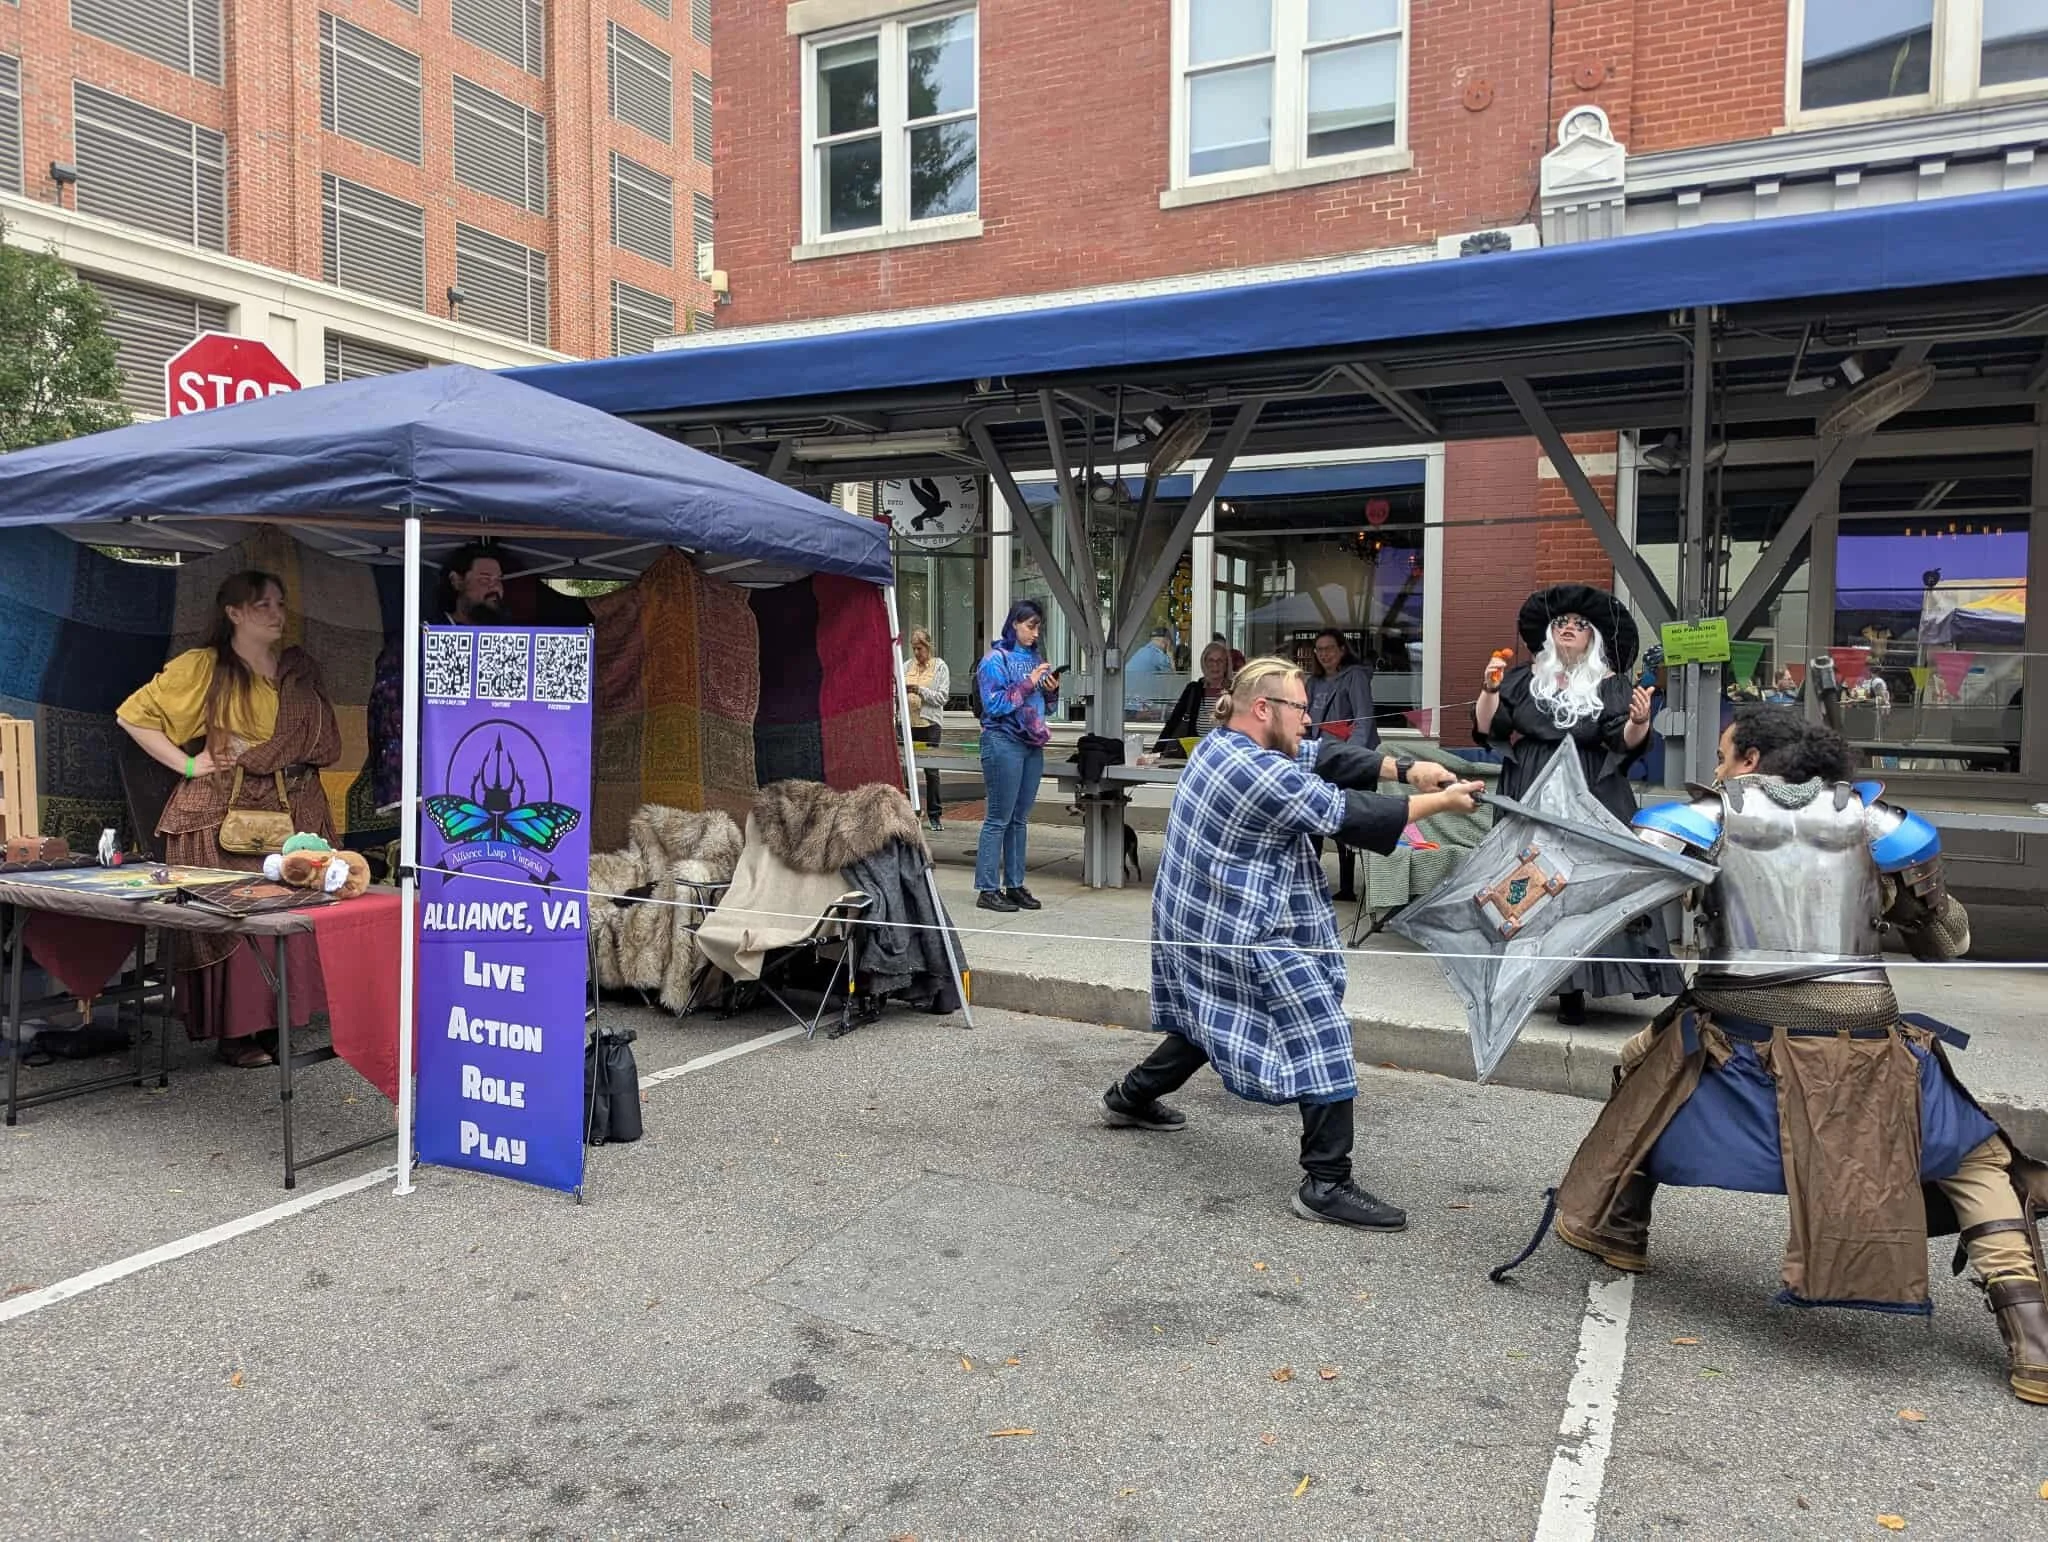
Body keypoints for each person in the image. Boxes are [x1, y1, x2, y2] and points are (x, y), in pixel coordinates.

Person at [1540, 706, 2046, 1405]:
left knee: (1644, 1070)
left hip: (1739, 1035)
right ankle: (2035, 1342)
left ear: (1748, 760)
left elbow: (1612, 896)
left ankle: (1621, 1225)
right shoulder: (1882, 828)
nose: (1716, 770)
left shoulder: (1707, 819)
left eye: (1722, 756)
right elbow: (1947, 942)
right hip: (1867, 1042)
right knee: (1976, 1160)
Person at [1100, 657, 1483, 1230]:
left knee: (1213, 1019)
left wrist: (1407, 769)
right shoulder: (1257, 773)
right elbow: (1345, 813)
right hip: (1238, 930)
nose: (1311, 719)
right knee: (1320, 1029)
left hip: (1198, 920)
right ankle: (1326, 1182)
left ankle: (1128, 1098)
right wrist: (1443, 803)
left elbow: (1326, 757)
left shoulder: (1221, 743)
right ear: (1264, 709)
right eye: (1301, 708)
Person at [117, 571, 342, 1067]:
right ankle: (236, 1032)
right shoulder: (206, 666)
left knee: (293, 912)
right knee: (238, 918)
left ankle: (279, 1022)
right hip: (225, 812)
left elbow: (324, 738)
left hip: (297, 803)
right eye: (263, 605)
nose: (277, 614)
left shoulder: (298, 669)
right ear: (234, 613)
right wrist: (188, 763)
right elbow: (132, 716)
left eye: (280, 604)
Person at [1473, 584, 1682, 1024]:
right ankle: (1529, 981)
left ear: (1594, 640)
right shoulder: (1526, 680)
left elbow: (1623, 741)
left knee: (1587, 880)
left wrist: (1640, 722)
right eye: (1561, 623)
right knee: (1529, 881)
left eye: (1580, 625)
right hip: (1531, 787)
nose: (1568, 628)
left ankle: (1579, 984)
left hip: (1590, 788)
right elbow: (1490, 726)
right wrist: (1489, 690)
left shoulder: (1610, 685)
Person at [368, 543, 505, 809]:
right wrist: (410, 789)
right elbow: (390, 715)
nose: (496, 588)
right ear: (456, 581)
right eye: (485, 579)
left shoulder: (507, 642)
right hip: (433, 786)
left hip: (489, 779)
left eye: (499, 580)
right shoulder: (419, 640)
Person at [975, 601, 1060, 913]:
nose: (1035, 633)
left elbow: (1047, 708)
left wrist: (1051, 690)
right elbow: (994, 705)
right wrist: (1027, 684)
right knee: (999, 817)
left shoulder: (1034, 658)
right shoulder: (995, 660)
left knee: (1019, 819)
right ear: (1014, 624)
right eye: (1030, 626)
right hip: (1003, 741)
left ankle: (1014, 884)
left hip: (1032, 743)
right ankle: (987, 887)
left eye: (1038, 627)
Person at [1308, 630, 1379, 904]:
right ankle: (1311, 880)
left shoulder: (1355, 677)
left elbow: (1364, 719)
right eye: (1319, 649)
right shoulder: (1313, 682)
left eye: (1329, 648)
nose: (1324, 654)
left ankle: (1348, 886)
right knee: (1312, 820)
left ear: (1342, 649)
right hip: (1317, 758)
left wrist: (1354, 757)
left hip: (1343, 758)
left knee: (1341, 822)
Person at [904, 627, 951, 832]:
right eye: (914, 648)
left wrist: (920, 691)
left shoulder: (939, 667)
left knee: (931, 771)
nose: (917, 653)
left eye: (920, 648)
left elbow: (942, 697)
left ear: (928, 647)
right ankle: (907, 814)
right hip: (908, 724)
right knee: (906, 770)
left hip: (929, 725)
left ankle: (934, 815)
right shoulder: (906, 666)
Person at [1154, 640, 1232, 750]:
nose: (1215, 665)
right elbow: (1173, 723)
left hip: (1226, 755)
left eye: (1220, 661)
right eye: (1211, 660)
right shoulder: (1194, 689)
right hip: (1196, 755)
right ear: (1204, 664)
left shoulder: (1235, 691)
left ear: (1226, 665)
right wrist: (1156, 752)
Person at [1125, 627, 1176, 715]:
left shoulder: (1141, 651)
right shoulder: (1158, 655)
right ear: (1166, 642)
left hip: (1126, 703)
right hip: (1139, 707)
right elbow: (1173, 677)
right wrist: (1170, 655)